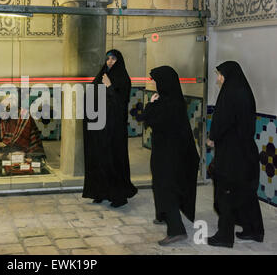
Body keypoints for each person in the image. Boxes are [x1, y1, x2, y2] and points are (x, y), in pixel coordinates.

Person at [137, 66, 199, 246]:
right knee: (160, 184)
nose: (154, 83)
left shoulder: (168, 104)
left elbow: (147, 120)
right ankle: (162, 214)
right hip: (168, 152)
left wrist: (151, 103)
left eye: (156, 80)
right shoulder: (173, 100)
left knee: (166, 187)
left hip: (169, 155)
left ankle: (176, 230)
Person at [206, 61, 264, 248]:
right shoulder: (245, 91)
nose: (218, 78)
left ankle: (224, 236)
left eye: (220, 74)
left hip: (231, 154)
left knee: (226, 194)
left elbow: (222, 120)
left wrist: (212, 137)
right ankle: (254, 230)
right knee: (246, 192)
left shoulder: (230, 94)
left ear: (228, 75)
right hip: (246, 151)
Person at [83, 49, 138, 208]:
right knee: (99, 159)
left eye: (113, 59)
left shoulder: (123, 79)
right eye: (108, 59)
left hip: (114, 129)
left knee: (113, 160)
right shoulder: (101, 75)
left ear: (119, 60)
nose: (110, 62)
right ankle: (99, 192)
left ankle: (118, 197)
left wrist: (109, 86)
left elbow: (121, 104)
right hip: (99, 127)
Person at [0, 94, 44, 160]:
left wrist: (4, 145)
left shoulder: (25, 115)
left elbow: (20, 141)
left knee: (11, 157)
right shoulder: (6, 115)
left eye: (6, 108)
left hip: (27, 149)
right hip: (10, 148)